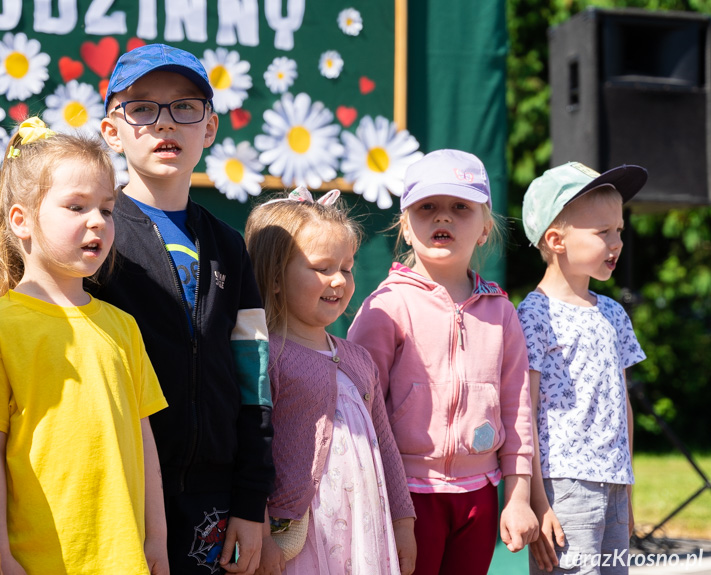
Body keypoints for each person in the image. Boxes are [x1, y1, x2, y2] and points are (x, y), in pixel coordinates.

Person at [91, 43, 274, 574]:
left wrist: (250, 499)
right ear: (112, 130)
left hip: (212, 497)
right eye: (142, 108)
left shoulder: (228, 246)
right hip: (118, 485)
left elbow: (254, 377)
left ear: (210, 128)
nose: (165, 122)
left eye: (185, 107)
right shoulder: (94, 235)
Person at [0, 118, 169, 574]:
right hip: (36, 562)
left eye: (107, 209)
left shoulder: (123, 327)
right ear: (21, 220)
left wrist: (156, 538)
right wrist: (0, 548)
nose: (97, 220)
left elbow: (144, 441)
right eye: (76, 207)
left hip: (124, 559)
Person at [348, 149, 539, 575]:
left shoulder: (502, 312)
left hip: (480, 497)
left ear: (485, 227)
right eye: (428, 207)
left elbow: (518, 409)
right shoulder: (387, 306)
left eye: (460, 208)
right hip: (406, 499)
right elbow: (357, 406)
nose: (443, 218)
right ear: (405, 224)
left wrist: (518, 495)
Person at [245, 187, 417, 575]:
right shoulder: (266, 355)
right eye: (322, 268)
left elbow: (385, 446)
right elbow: (249, 449)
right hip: (301, 535)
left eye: (347, 267)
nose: (339, 279)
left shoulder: (359, 357)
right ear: (274, 277)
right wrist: (264, 534)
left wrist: (403, 523)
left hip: (363, 528)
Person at [518, 162, 648, 575]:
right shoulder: (534, 314)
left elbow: (621, 402)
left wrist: (626, 486)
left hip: (613, 481)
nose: (616, 243)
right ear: (556, 239)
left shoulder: (612, 313)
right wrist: (538, 502)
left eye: (620, 231)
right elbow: (526, 411)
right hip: (565, 484)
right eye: (603, 232)